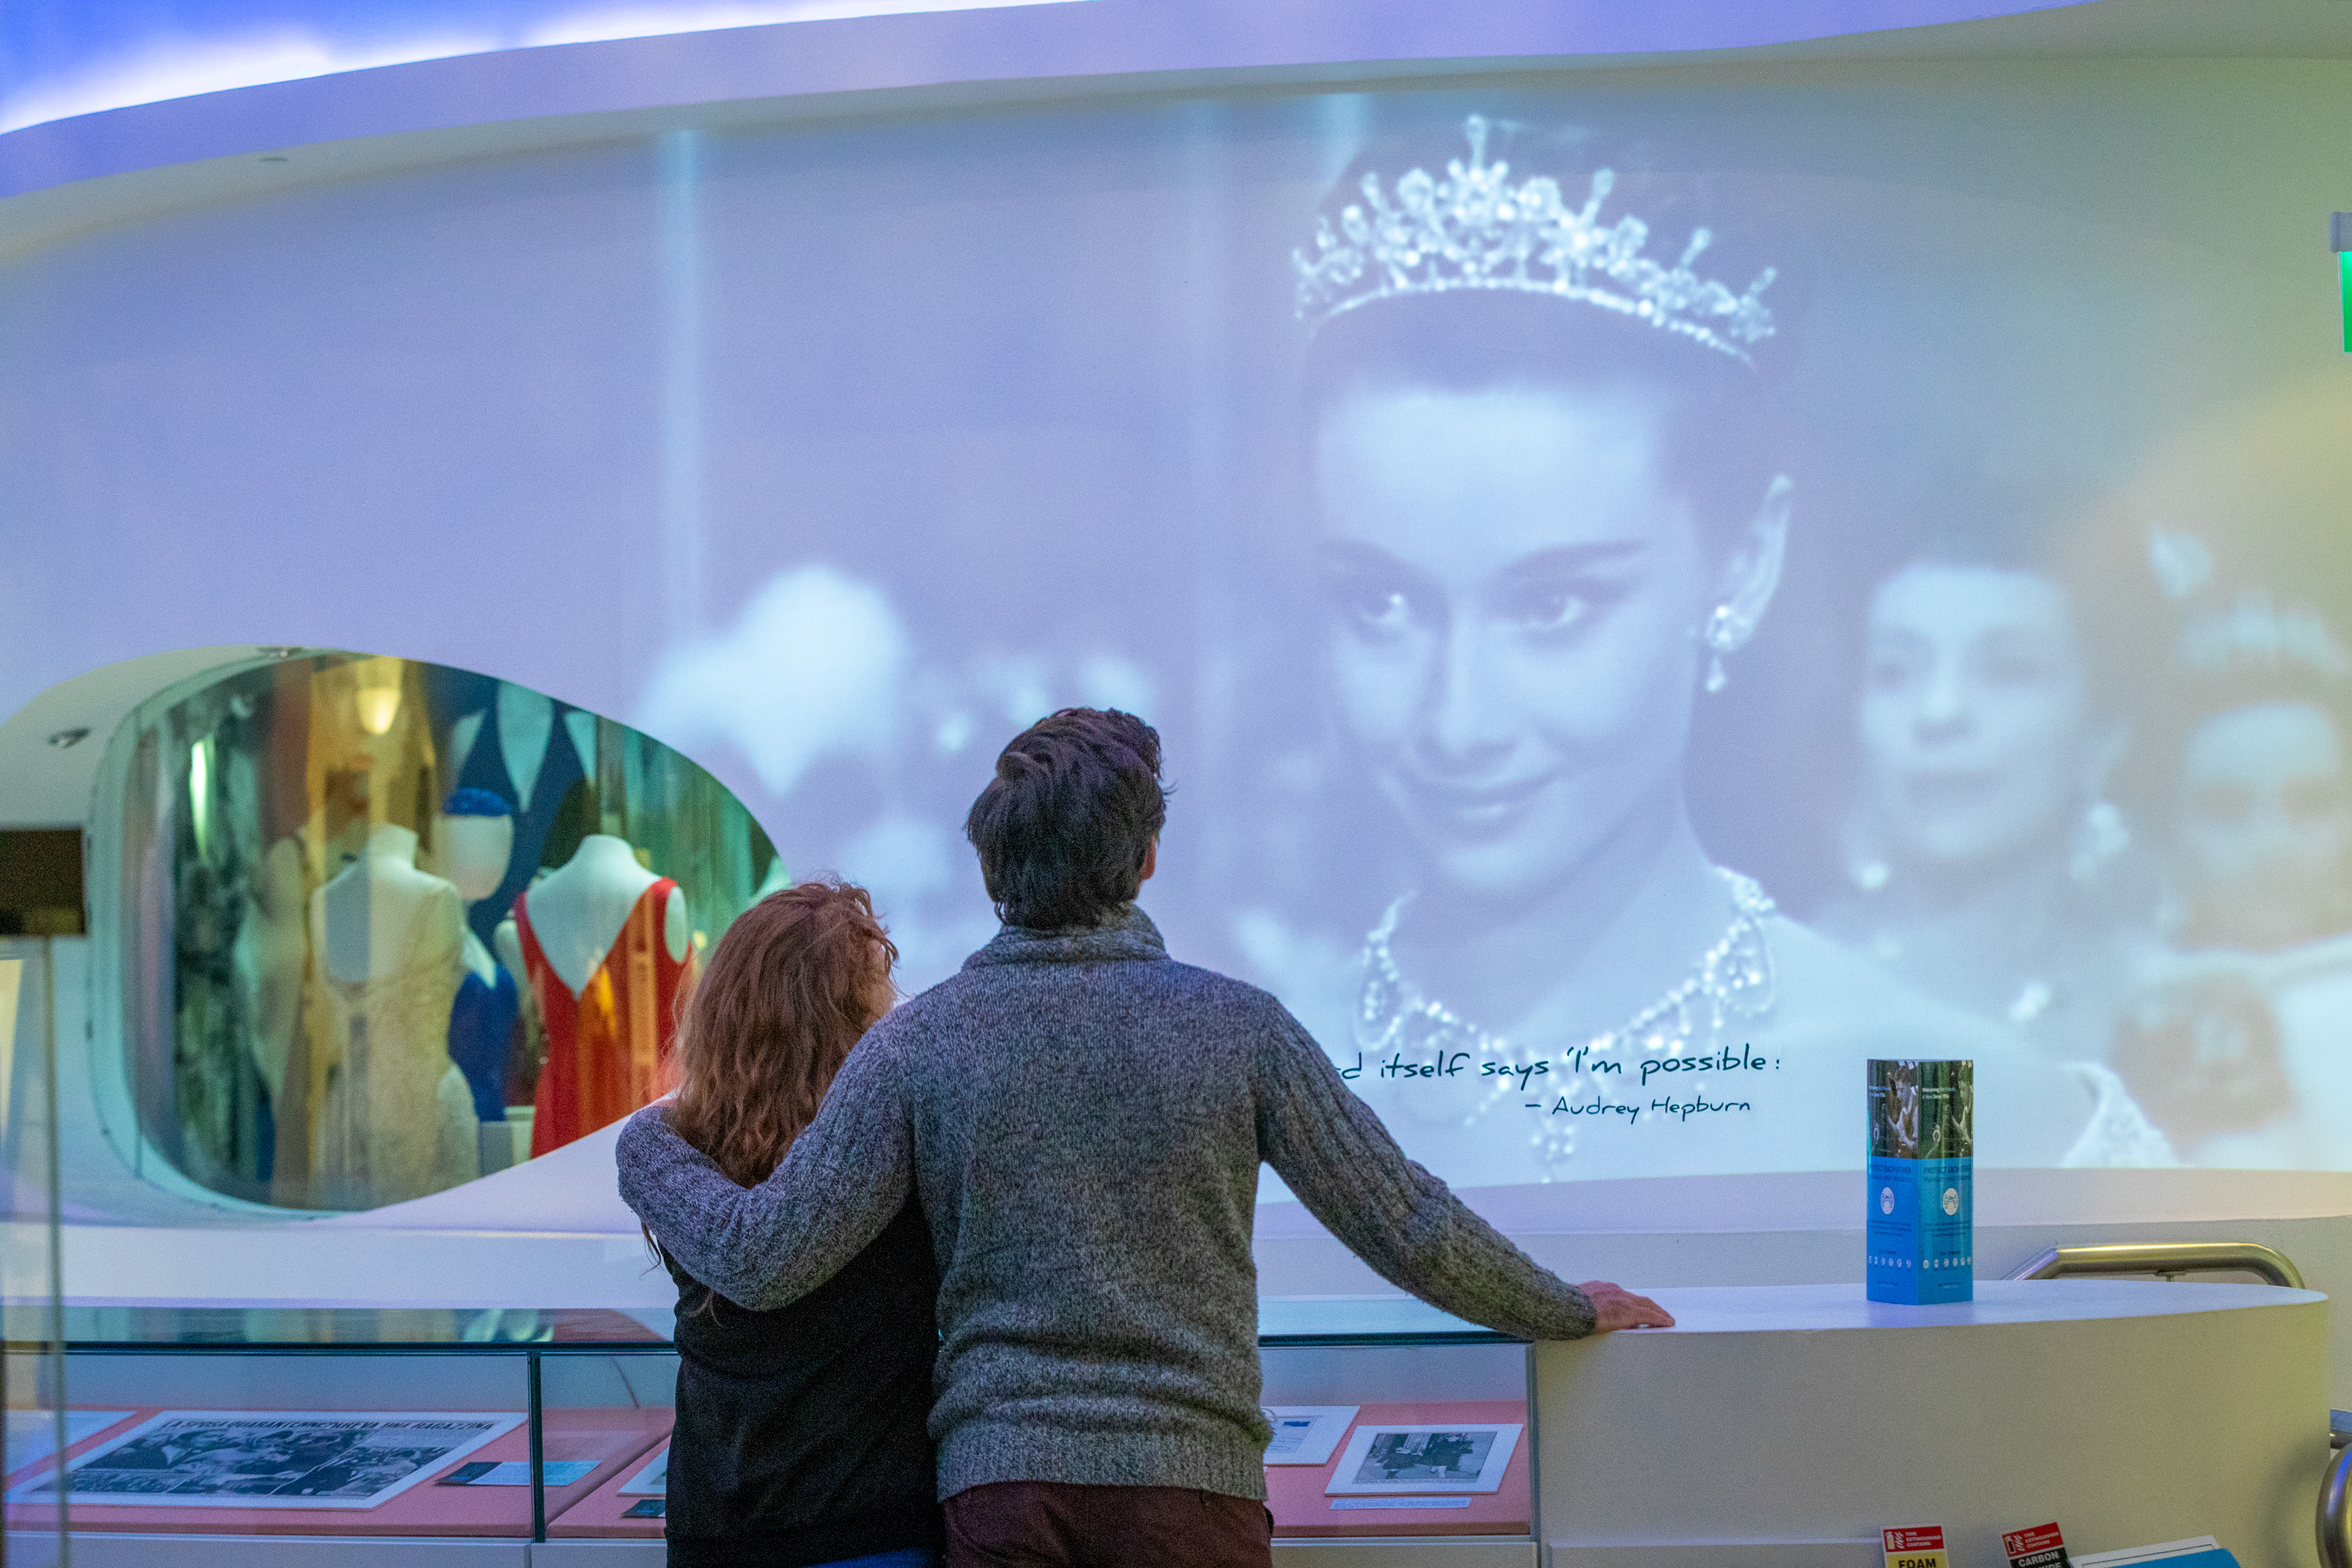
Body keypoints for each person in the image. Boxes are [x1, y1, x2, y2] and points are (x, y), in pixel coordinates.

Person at [1276, 114, 2152, 1183]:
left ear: (1741, 563)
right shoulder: (1227, 1103)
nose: (1458, 722)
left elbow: (1959, 1294)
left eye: (1553, 606)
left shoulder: (1911, 1087)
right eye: (1381, 604)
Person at [620, 707, 1671, 1568]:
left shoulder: (919, 1043)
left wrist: (650, 1141)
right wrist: (1562, 1307)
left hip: (1001, 1492)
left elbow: (771, 1255)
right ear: (1147, 857)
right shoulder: (1239, 1027)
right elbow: (1405, 1222)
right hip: (1190, 1488)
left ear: (991, 864)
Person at [651, 880, 944, 1568]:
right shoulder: (900, 1147)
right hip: (873, 1527)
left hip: (716, 1528)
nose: (891, 1006)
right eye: (877, 989)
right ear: (845, 1016)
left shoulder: (674, 1149)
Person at [1815, 508, 2150, 1062]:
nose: (1939, 712)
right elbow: (1928, 1124)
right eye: (1895, 672)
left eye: (2008, 670)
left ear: (2103, 735)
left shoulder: (2174, 1005)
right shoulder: (1800, 1001)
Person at [2111, 587, 2352, 1166]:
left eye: (2311, 803)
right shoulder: (2116, 1001)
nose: (2273, 849)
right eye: (2226, 809)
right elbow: (1926, 1199)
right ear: (2167, 825)